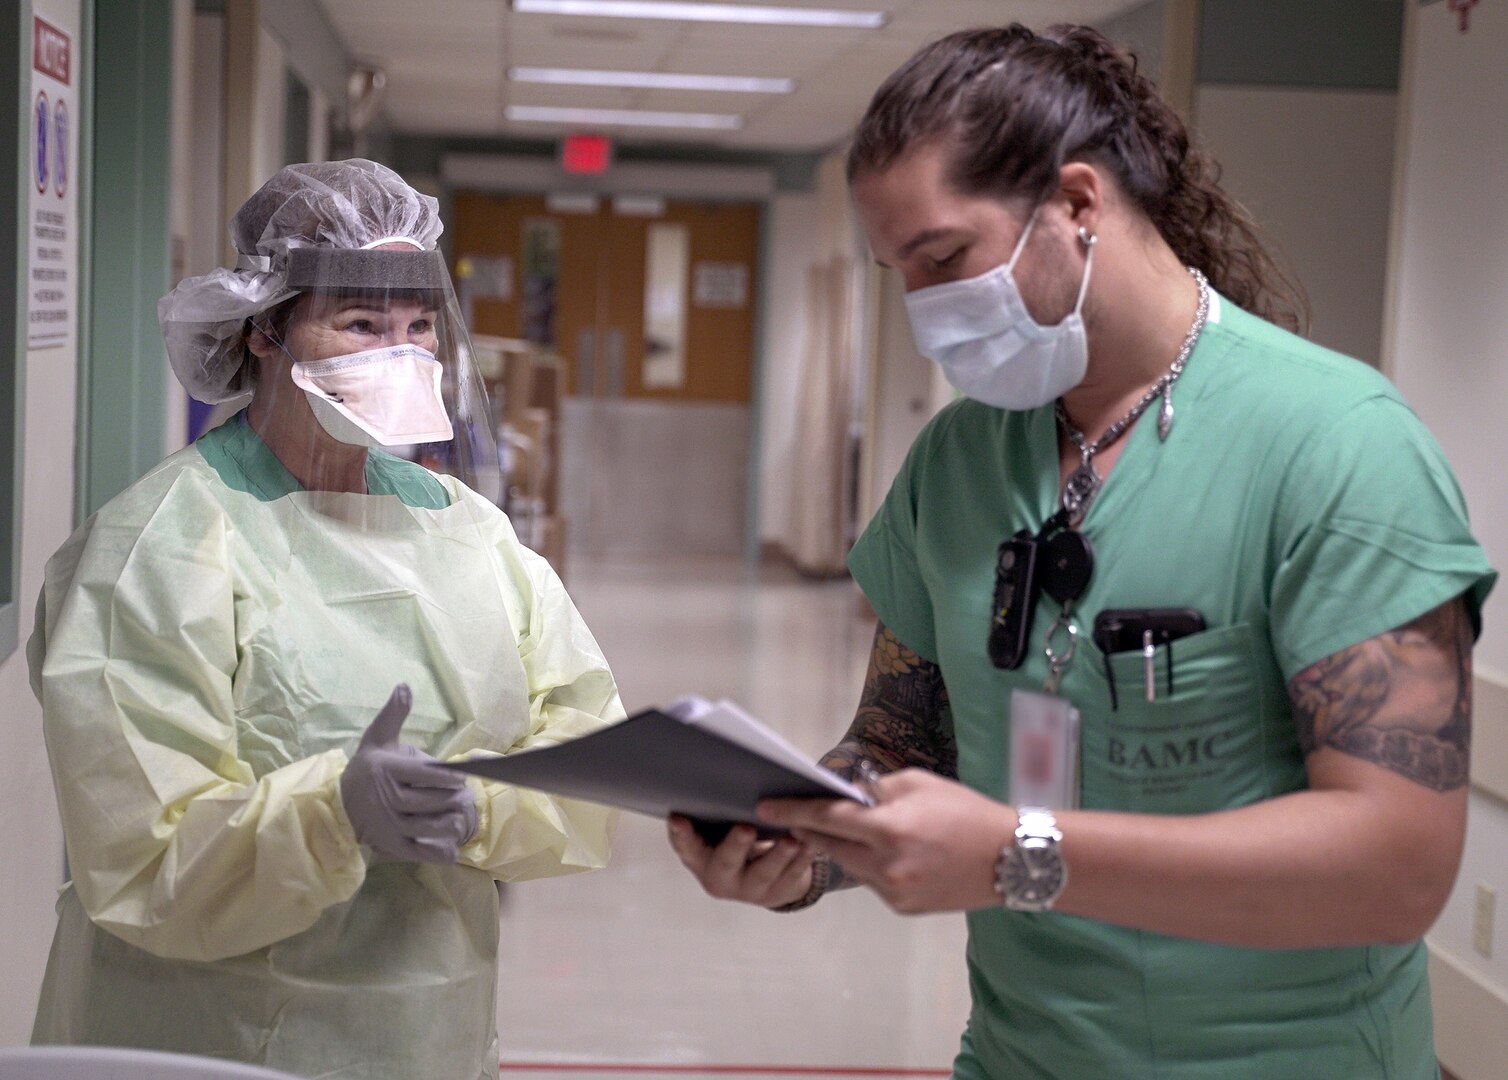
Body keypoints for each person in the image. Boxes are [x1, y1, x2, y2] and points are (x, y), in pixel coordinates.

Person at [669, 24, 1496, 1079]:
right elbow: (897, 743)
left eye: (943, 258)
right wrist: (801, 846)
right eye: (899, 275)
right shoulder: (959, 462)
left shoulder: (1338, 447)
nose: (924, 312)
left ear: (1074, 203)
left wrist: (1021, 855)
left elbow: (1394, 867)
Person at [29, 159, 621, 1079]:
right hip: (198, 1038)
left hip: (427, 1031)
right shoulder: (163, 545)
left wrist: (480, 809)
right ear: (265, 329)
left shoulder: (469, 534)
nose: (400, 352)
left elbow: (586, 747)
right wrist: (334, 813)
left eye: (419, 326)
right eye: (358, 323)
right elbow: (141, 856)